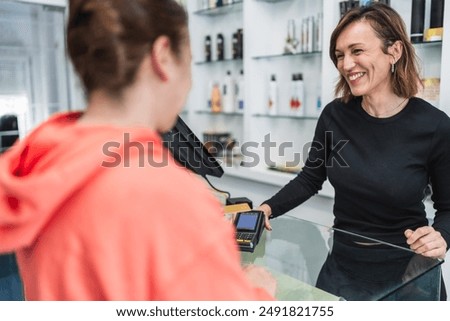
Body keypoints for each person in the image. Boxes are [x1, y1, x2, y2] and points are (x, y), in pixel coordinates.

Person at [0, 0, 276, 300]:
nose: (189, 81)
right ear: (163, 56)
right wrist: (259, 292)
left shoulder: (41, 164)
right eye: (190, 62)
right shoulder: (172, 198)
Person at [258, 3, 450, 300]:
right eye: (339, 55)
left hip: (408, 273)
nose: (346, 64)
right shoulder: (335, 116)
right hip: (342, 268)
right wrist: (267, 209)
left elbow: (449, 208)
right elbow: (310, 179)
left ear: (394, 52)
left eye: (357, 51)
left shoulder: (434, 125)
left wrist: (442, 237)